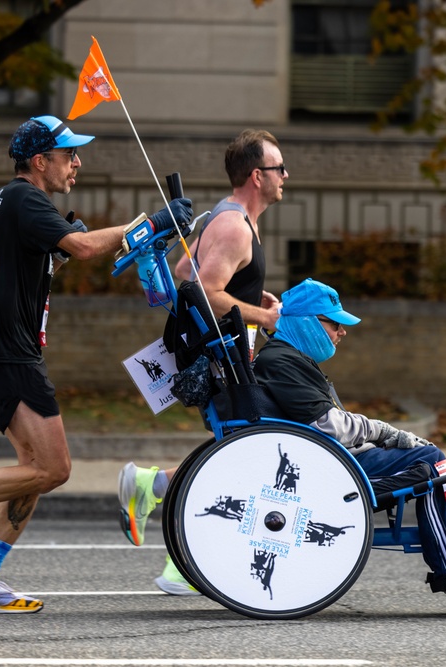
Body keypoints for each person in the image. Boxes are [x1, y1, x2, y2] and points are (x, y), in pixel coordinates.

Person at [0, 115, 193, 614]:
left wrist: (60, 253)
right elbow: (82, 245)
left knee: (34, 470)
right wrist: (156, 221)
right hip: (4, 352)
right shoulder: (25, 198)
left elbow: (45, 257)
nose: (76, 163)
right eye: (68, 154)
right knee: (54, 468)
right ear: (40, 161)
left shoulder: (12, 201)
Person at [251, 278, 446, 599]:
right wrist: (386, 432)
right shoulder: (283, 361)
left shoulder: (286, 356)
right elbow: (329, 426)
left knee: (430, 457)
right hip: (329, 469)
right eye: (335, 324)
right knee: (433, 464)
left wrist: (380, 439)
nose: (342, 332)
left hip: (327, 458)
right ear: (309, 323)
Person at [117, 129, 288, 595]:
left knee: (238, 454)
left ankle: (159, 508)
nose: (284, 177)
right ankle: (173, 541)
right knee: (243, 455)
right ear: (257, 176)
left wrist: (248, 295)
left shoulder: (224, 216)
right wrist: (264, 314)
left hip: (222, 357)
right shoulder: (234, 226)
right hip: (222, 361)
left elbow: (182, 273)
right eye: (279, 169)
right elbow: (209, 296)